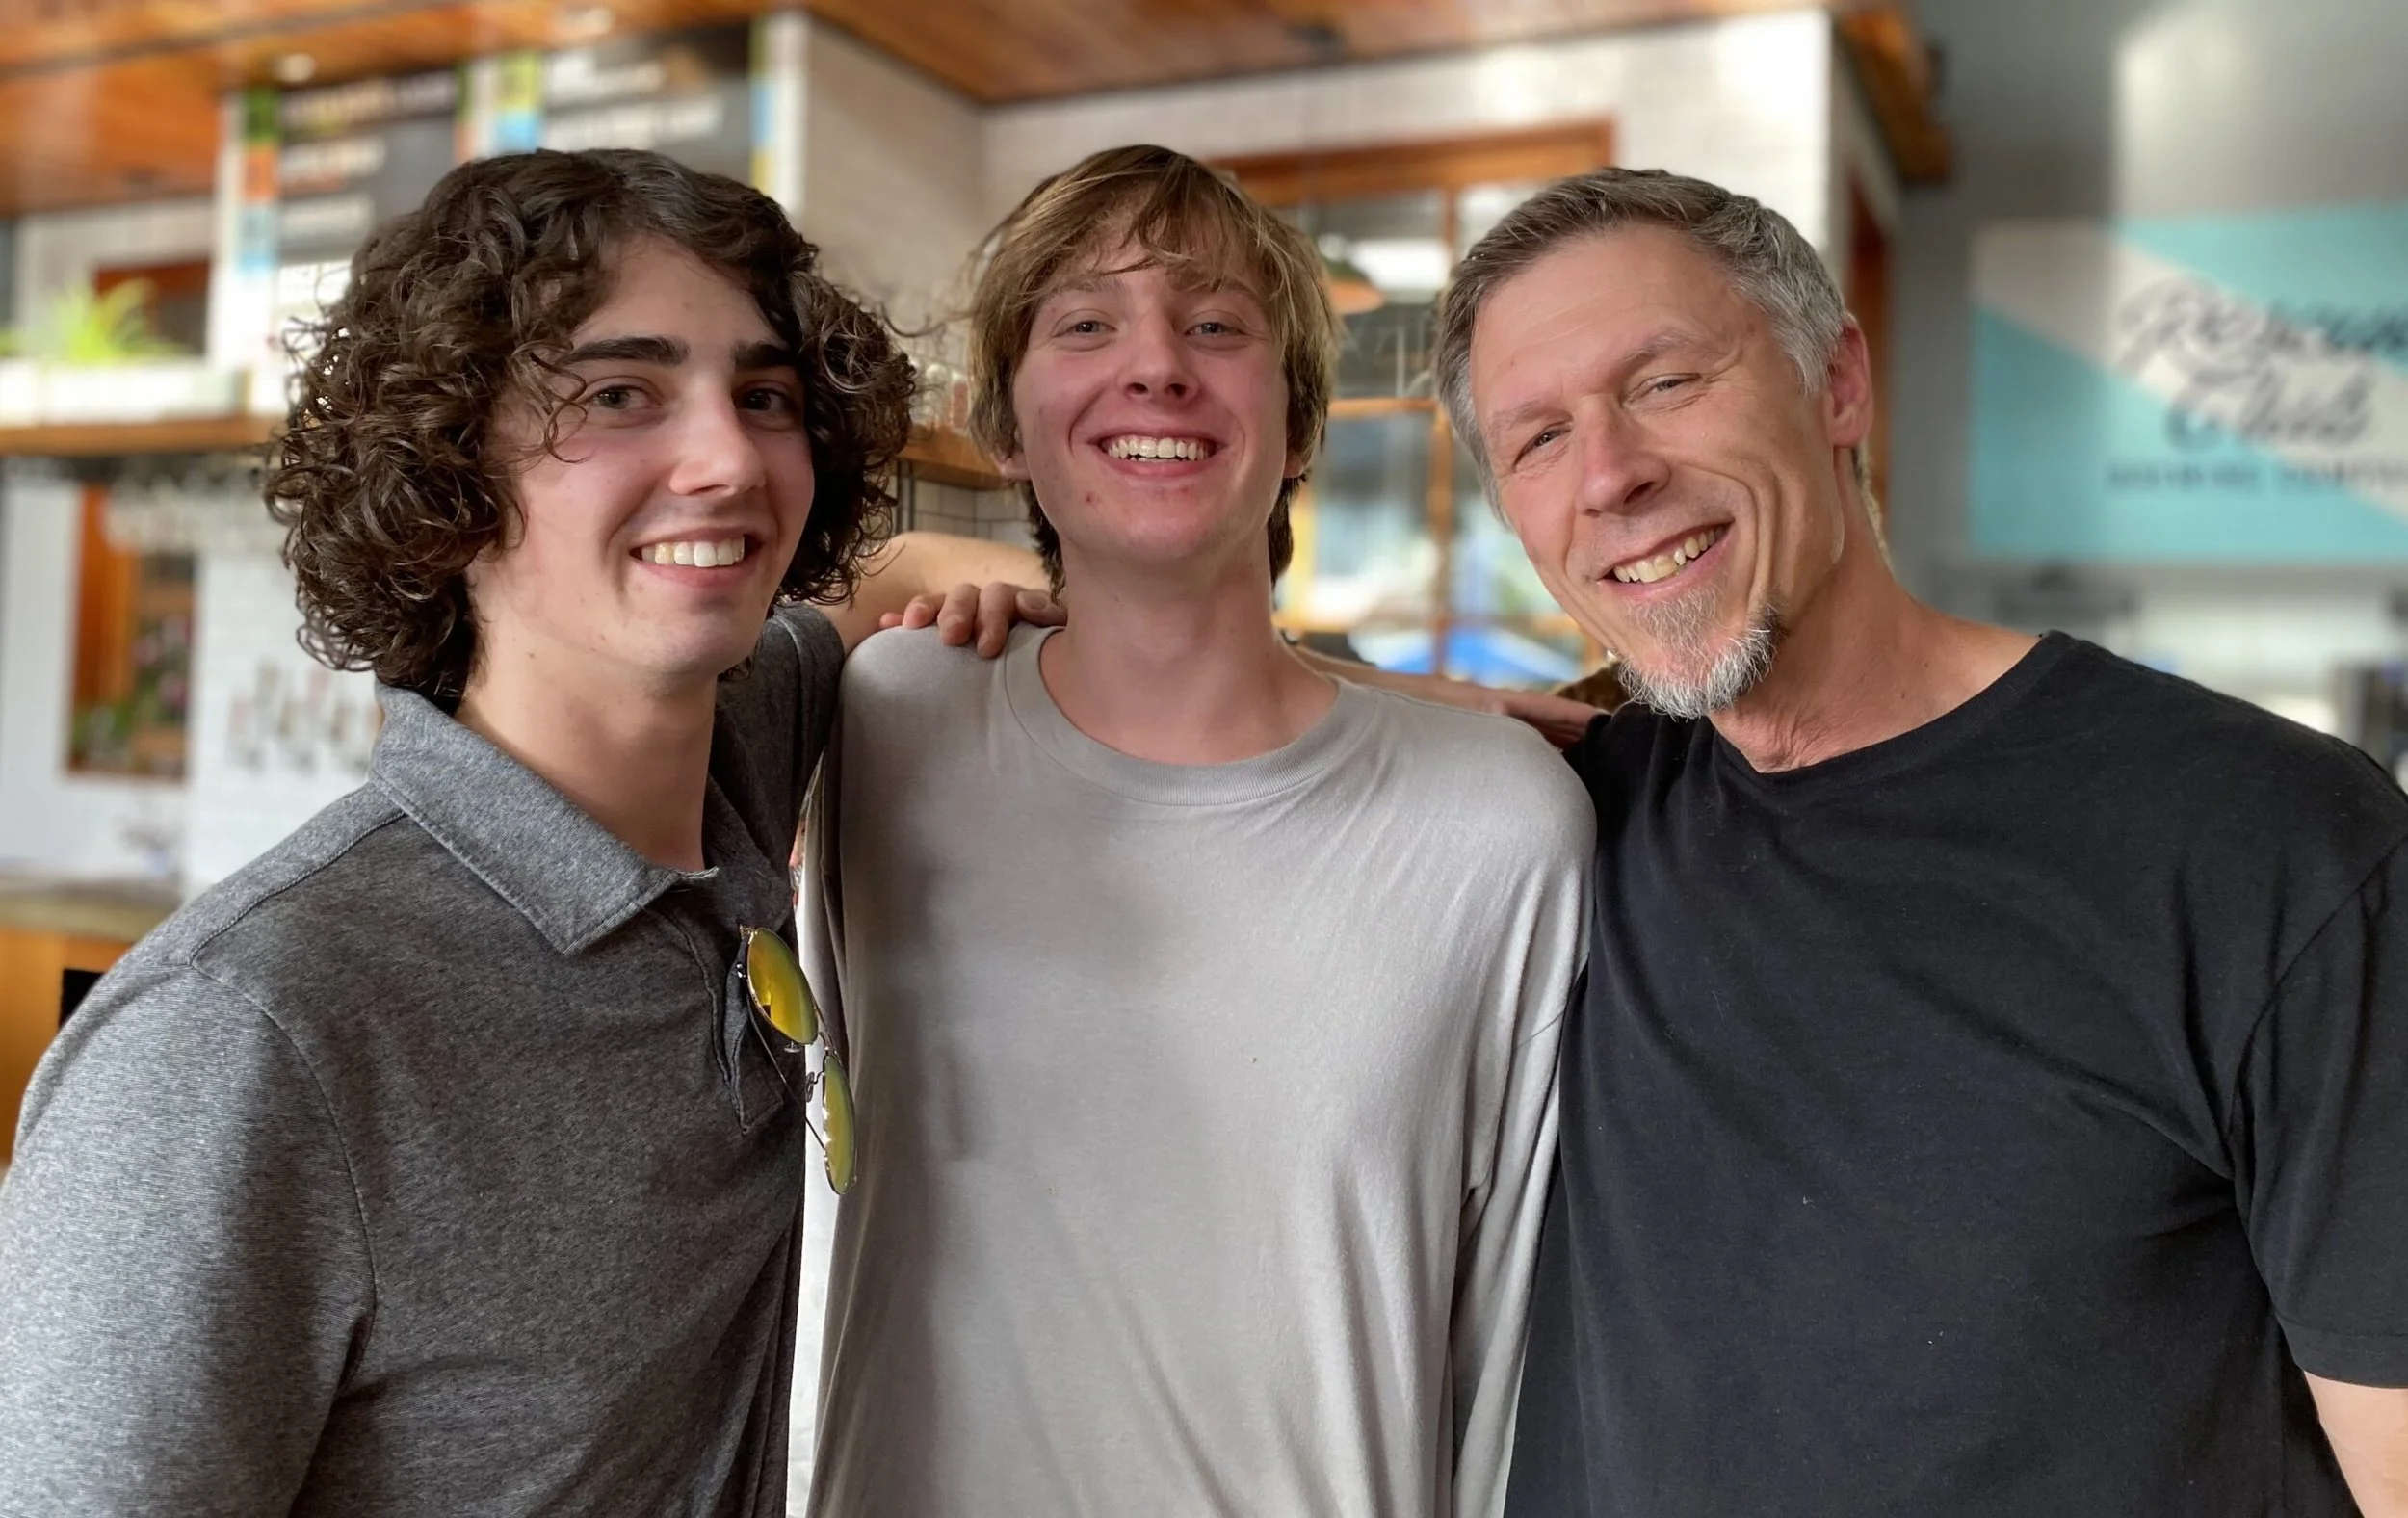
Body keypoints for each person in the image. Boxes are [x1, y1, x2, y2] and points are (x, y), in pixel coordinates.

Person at [0, 147, 1047, 1516]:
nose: (727, 456)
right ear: (446, 471)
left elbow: (888, 581)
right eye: (620, 394)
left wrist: (1069, 599)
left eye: (766, 395)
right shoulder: (245, 1032)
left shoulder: (738, 761)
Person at [1432, 167, 2408, 1516]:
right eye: (1537, 439)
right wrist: (1044, 628)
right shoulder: (1565, 820)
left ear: (1839, 384)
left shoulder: (2271, 843)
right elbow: (1280, 716)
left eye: (1665, 383)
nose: (1610, 475)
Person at [801, 144, 1592, 1518]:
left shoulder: (1503, 827)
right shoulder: (892, 724)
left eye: (1217, 326)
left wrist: (1393, 706)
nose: (1158, 364)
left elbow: (1513, 1339)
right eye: (1086, 324)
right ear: (1005, 428)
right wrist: (940, 567)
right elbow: (697, 625)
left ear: (1295, 430)